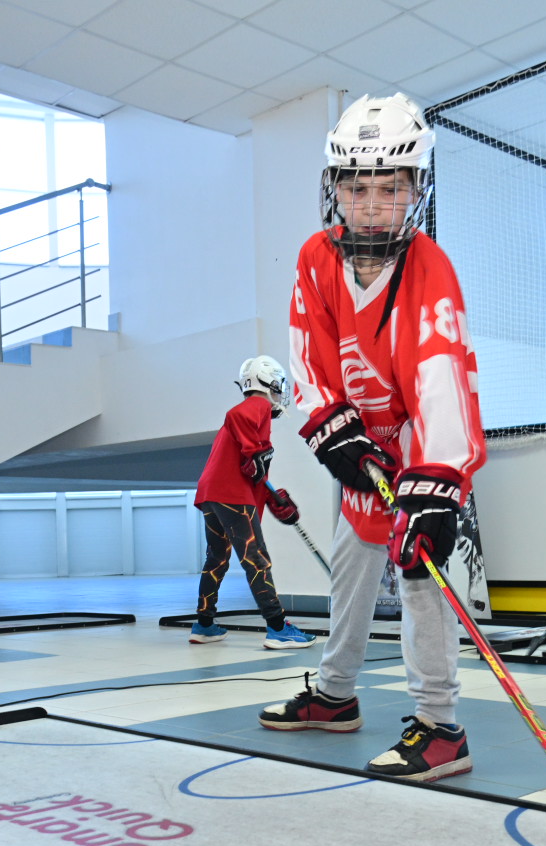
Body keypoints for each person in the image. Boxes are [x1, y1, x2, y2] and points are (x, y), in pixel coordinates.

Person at [257, 94, 485, 782]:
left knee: (419, 574)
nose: (373, 204)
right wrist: (335, 434)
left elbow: (441, 374)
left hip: (418, 437)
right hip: (361, 440)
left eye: (391, 188)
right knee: (352, 564)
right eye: (357, 188)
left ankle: (442, 726)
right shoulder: (314, 260)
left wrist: (436, 486)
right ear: (335, 189)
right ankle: (335, 694)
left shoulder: (429, 266)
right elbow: (309, 351)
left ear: (415, 190)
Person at [190, 355, 315, 650]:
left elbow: (250, 468)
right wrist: (256, 450)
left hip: (212, 494)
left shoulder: (257, 417)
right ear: (268, 382)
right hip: (231, 496)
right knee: (256, 559)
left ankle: (204, 625)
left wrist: (271, 496)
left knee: (217, 559)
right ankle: (277, 628)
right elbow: (237, 416)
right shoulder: (257, 405)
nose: (279, 391)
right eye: (278, 385)